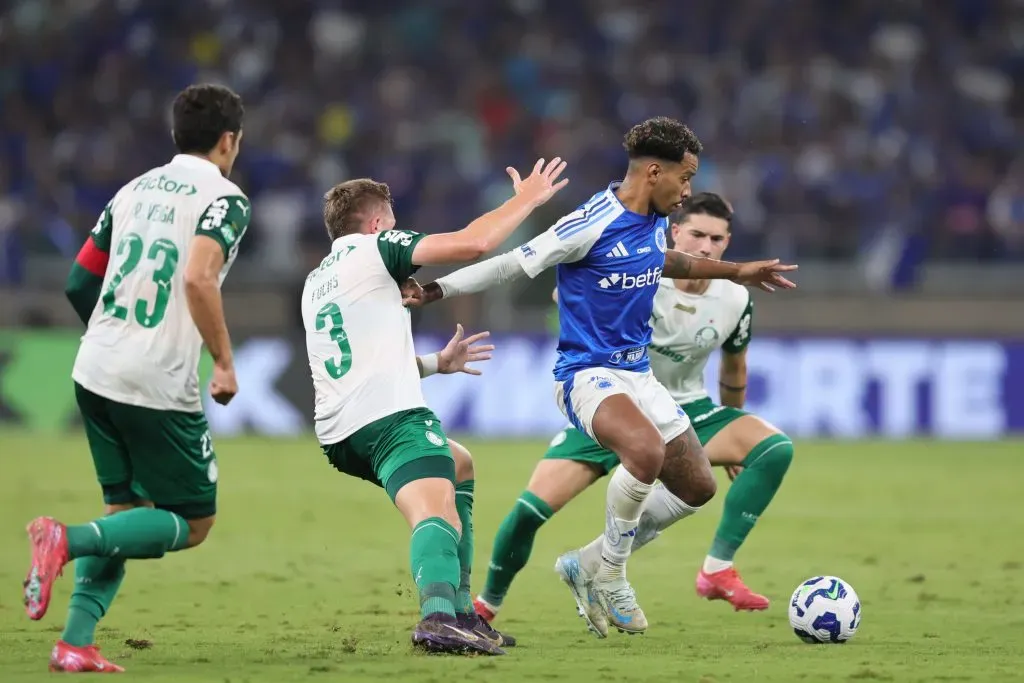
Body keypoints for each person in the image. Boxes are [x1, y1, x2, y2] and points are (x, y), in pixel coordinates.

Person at [402, 118, 796, 636]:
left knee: (698, 487)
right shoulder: (591, 222)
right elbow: (513, 264)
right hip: (585, 375)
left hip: (638, 376)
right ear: (654, 172)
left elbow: (665, 258)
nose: (688, 191)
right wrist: (436, 291)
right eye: (686, 177)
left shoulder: (655, 216)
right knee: (646, 453)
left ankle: (586, 564)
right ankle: (611, 574)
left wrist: (737, 270)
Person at [473, 193, 794, 634]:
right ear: (673, 233)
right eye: (696, 234)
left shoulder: (736, 299)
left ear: (727, 243)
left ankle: (715, 569)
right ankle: (483, 609)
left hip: (687, 409)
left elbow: (735, 368)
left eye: (716, 239)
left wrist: (732, 428)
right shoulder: (640, 273)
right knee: (530, 511)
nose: (705, 246)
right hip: (613, 402)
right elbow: (568, 289)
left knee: (772, 448)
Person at [23, 84, 250, 672]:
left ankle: (74, 642)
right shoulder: (224, 199)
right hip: (156, 380)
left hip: (94, 365)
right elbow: (200, 278)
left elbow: (79, 282)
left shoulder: (132, 190)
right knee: (194, 521)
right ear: (229, 141)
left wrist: (113, 336)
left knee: (125, 515)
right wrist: (223, 361)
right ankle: (64, 541)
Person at [302, 159, 567, 655]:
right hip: (390, 420)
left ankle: (463, 612)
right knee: (435, 512)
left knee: (459, 464)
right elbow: (474, 243)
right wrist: (526, 200)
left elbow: (354, 356)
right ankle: (439, 617)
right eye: (394, 220)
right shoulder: (377, 247)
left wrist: (431, 364)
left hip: (340, 433)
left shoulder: (318, 280)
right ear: (378, 222)